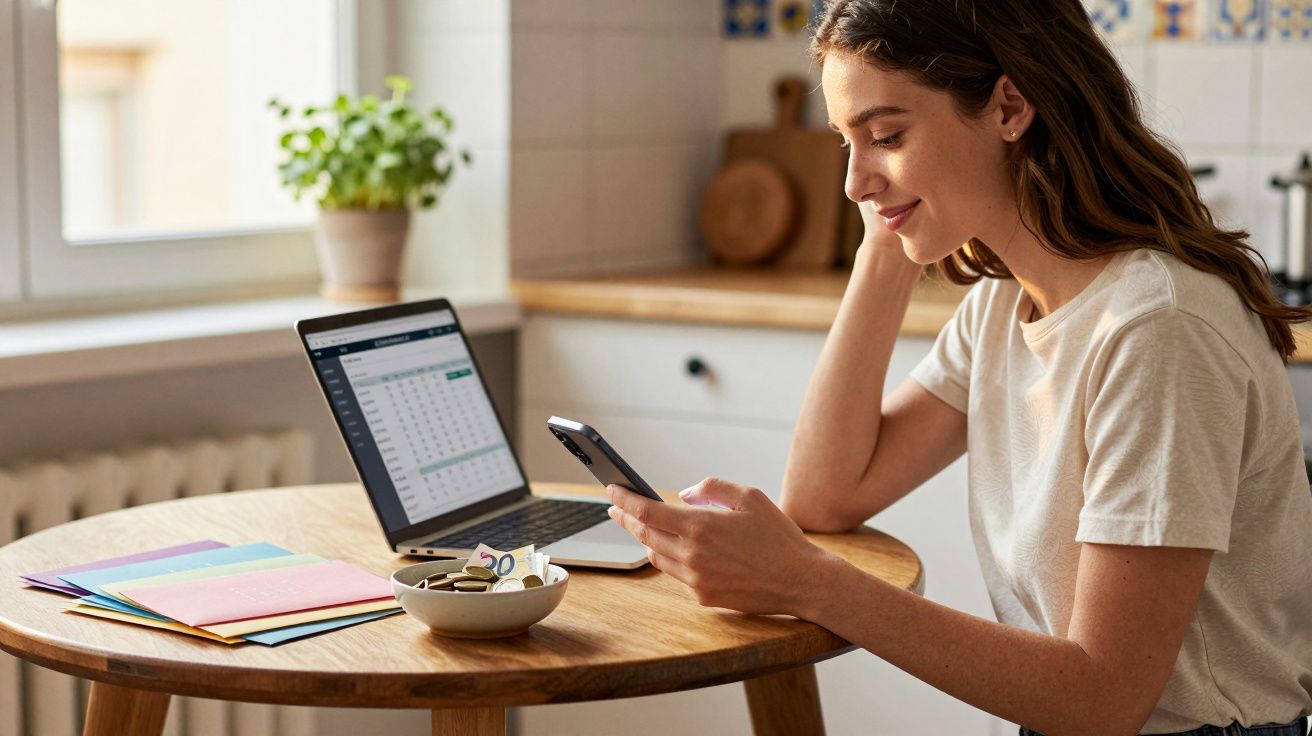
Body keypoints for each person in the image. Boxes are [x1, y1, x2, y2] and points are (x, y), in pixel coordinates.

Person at [602, 1, 1312, 734]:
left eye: (886, 136)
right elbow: (824, 495)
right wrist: (886, 244)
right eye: (848, 143)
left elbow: (1103, 698)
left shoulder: (1157, 328)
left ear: (1010, 107)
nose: (853, 184)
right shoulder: (1006, 303)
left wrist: (807, 583)